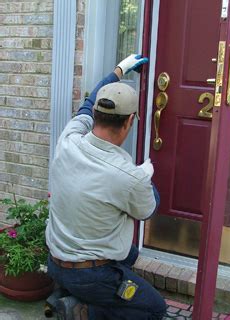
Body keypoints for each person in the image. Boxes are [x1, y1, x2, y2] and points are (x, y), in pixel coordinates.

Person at [45, 54, 167, 320]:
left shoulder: (69, 138)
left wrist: (119, 70)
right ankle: (83, 310)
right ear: (129, 121)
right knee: (156, 309)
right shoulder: (128, 176)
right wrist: (145, 176)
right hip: (89, 274)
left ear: (95, 116)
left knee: (130, 253)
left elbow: (87, 104)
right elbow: (149, 208)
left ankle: (63, 291)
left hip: (54, 260)